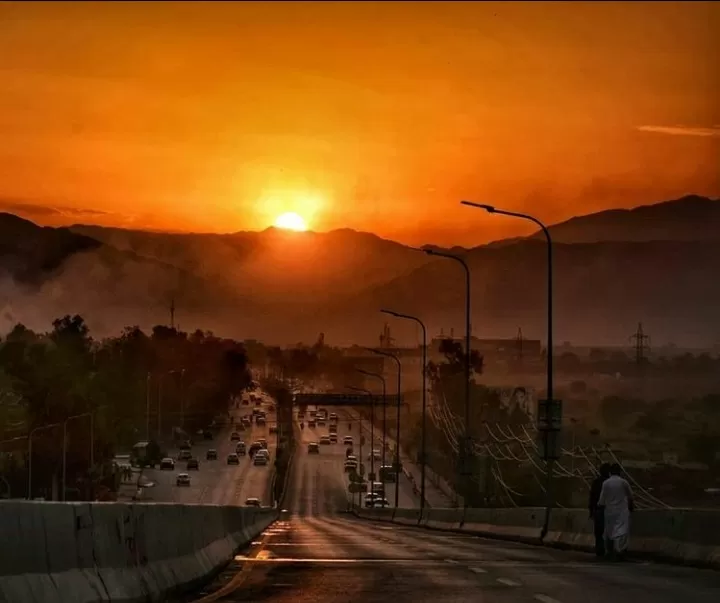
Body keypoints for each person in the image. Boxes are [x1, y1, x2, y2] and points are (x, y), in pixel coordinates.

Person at [598, 463, 634, 560]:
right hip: (622, 510)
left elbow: (602, 499)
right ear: (620, 471)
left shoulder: (606, 483)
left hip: (609, 511)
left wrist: (599, 507)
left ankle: (609, 551)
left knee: (609, 531)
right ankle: (619, 551)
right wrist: (631, 506)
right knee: (622, 531)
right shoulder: (623, 482)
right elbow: (630, 496)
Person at [589, 463, 611, 557]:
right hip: (609, 510)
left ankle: (600, 550)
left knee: (599, 532)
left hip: (599, 510)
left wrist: (591, 510)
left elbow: (592, 497)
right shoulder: (610, 482)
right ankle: (609, 551)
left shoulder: (597, 482)